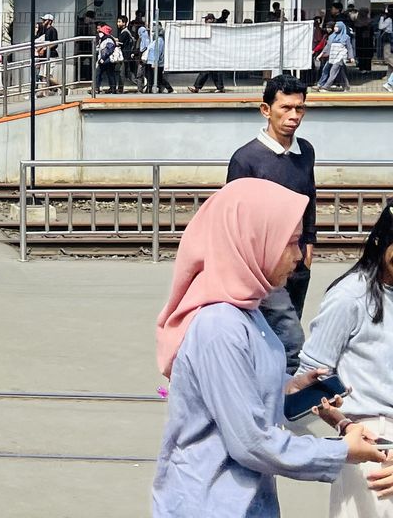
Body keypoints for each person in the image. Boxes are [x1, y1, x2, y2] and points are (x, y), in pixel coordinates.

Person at [151, 178, 385, 517]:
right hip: (211, 502)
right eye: (289, 244)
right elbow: (250, 442)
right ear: (252, 243)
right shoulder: (219, 327)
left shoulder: (247, 311)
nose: (298, 257)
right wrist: (340, 451)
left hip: (246, 500)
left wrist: (290, 388)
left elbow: (241, 392)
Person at [300, 205, 393, 517]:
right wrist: (345, 426)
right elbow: (308, 383)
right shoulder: (351, 297)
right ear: (381, 241)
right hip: (373, 447)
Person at [226, 75, 316, 374]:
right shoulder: (246, 159)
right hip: (263, 266)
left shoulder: (306, 152)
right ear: (266, 110)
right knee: (291, 340)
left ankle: (265, 389)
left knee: (278, 334)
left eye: (300, 109)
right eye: (286, 108)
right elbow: (235, 217)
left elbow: (309, 198)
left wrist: (310, 242)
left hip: (298, 261)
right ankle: (284, 401)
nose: (294, 116)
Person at [188, 14, 226, 93]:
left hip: (216, 53)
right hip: (209, 53)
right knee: (207, 71)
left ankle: (219, 88)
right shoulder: (206, 29)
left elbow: (222, 19)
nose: (206, 21)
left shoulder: (216, 28)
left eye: (207, 20)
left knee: (214, 71)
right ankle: (198, 87)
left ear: (212, 20)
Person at [316, 21, 355, 92]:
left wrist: (351, 57)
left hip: (340, 57)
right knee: (340, 72)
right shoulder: (331, 36)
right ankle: (346, 86)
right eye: (335, 27)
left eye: (337, 27)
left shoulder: (346, 37)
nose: (335, 28)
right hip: (332, 56)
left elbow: (349, 48)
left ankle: (326, 87)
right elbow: (327, 47)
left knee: (333, 71)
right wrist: (321, 54)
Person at [143, 21, 174, 94]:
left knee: (158, 78)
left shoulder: (159, 41)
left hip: (156, 63)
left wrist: (155, 62)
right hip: (151, 62)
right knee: (151, 77)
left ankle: (168, 88)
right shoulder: (155, 40)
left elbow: (157, 52)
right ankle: (150, 89)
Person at [34, 13, 60, 94]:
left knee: (47, 75)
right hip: (45, 56)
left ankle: (63, 87)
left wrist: (44, 49)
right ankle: (52, 90)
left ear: (49, 21)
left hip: (51, 55)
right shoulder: (45, 30)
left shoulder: (52, 30)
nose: (43, 22)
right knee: (42, 76)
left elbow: (55, 43)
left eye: (44, 20)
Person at [93, 24, 120, 96]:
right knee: (109, 73)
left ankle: (97, 88)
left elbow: (109, 49)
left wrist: (102, 58)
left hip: (106, 60)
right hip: (106, 60)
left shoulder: (108, 39)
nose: (99, 33)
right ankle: (112, 89)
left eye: (101, 32)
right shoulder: (105, 38)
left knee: (100, 73)